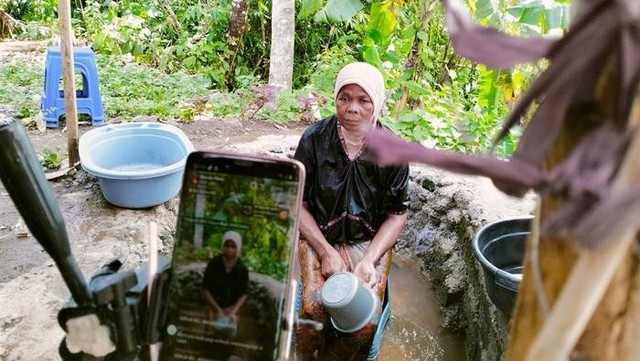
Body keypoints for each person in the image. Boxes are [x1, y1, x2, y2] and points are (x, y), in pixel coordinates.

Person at [293, 62, 410, 360]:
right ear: (335, 99)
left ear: (377, 104)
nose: (352, 108)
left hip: (367, 241)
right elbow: (298, 203)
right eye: (344, 98)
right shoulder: (314, 140)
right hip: (319, 232)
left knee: (363, 320)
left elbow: (397, 216)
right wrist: (324, 250)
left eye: (363, 100)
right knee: (312, 311)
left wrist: (369, 260)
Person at [202, 230, 249, 326]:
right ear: (222, 246)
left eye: (233, 246)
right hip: (213, 306)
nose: (229, 249)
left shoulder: (242, 269)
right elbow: (205, 289)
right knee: (210, 334)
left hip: (232, 309)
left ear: (238, 248)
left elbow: (244, 294)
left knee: (229, 333)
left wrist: (233, 312)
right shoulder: (213, 264)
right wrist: (217, 310)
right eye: (227, 246)